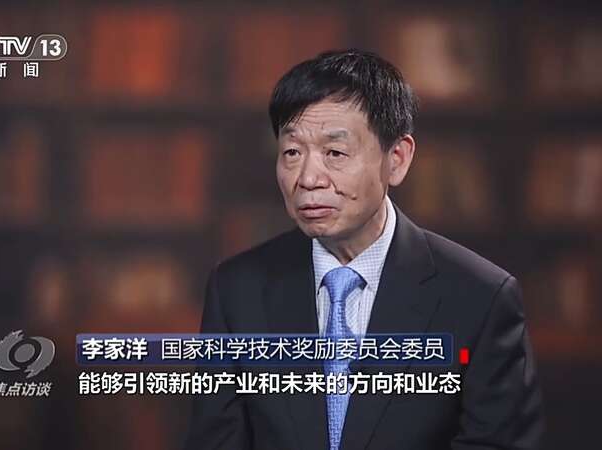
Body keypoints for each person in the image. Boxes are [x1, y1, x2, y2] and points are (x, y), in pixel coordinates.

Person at [184, 49, 544, 450]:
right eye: (292, 152)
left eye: (335, 153)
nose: (309, 178)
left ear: (397, 159)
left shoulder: (481, 297)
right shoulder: (237, 290)